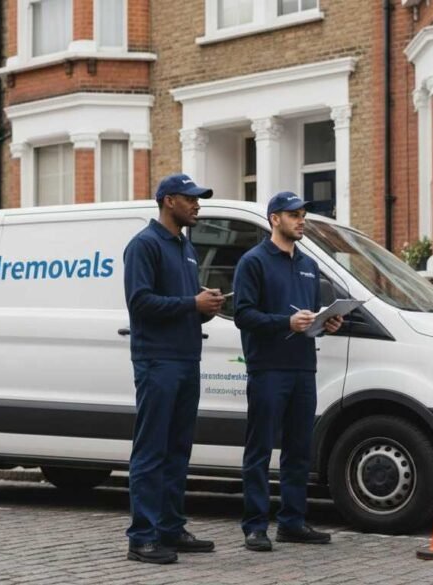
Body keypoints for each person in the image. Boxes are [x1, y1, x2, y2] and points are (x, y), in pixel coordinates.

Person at [123, 173, 226, 564]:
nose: (197, 205)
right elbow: (140, 303)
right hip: (157, 360)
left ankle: (170, 528)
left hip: (186, 358)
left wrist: (204, 307)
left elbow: (183, 304)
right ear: (169, 201)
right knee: (151, 450)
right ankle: (142, 537)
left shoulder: (186, 246)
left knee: (178, 450)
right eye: (190, 198)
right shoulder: (144, 245)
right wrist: (191, 304)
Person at [233, 191, 344, 552]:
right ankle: (255, 527)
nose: (301, 221)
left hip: (303, 367)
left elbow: (309, 316)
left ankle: (292, 522)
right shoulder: (253, 262)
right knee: (260, 449)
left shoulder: (309, 264)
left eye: (303, 215)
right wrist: (286, 322)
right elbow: (243, 315)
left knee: (299, 449)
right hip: (268, 368)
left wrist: (326, 323)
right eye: (294, 215)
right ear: (274, 219)